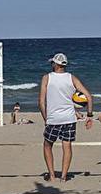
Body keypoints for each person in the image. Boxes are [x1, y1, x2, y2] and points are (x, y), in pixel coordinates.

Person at [38, 53, 93, 182]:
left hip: (53, 119)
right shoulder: (72, 78)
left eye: (52, 63)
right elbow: (89, 96)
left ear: (55, 64)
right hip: (69, 118)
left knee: (47, 145)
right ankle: (63, 177)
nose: (51, 64)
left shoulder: (47, 78)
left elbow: (41, 102)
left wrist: (45, 119)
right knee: (67, 146)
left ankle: (52, 176)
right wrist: (89, 116)